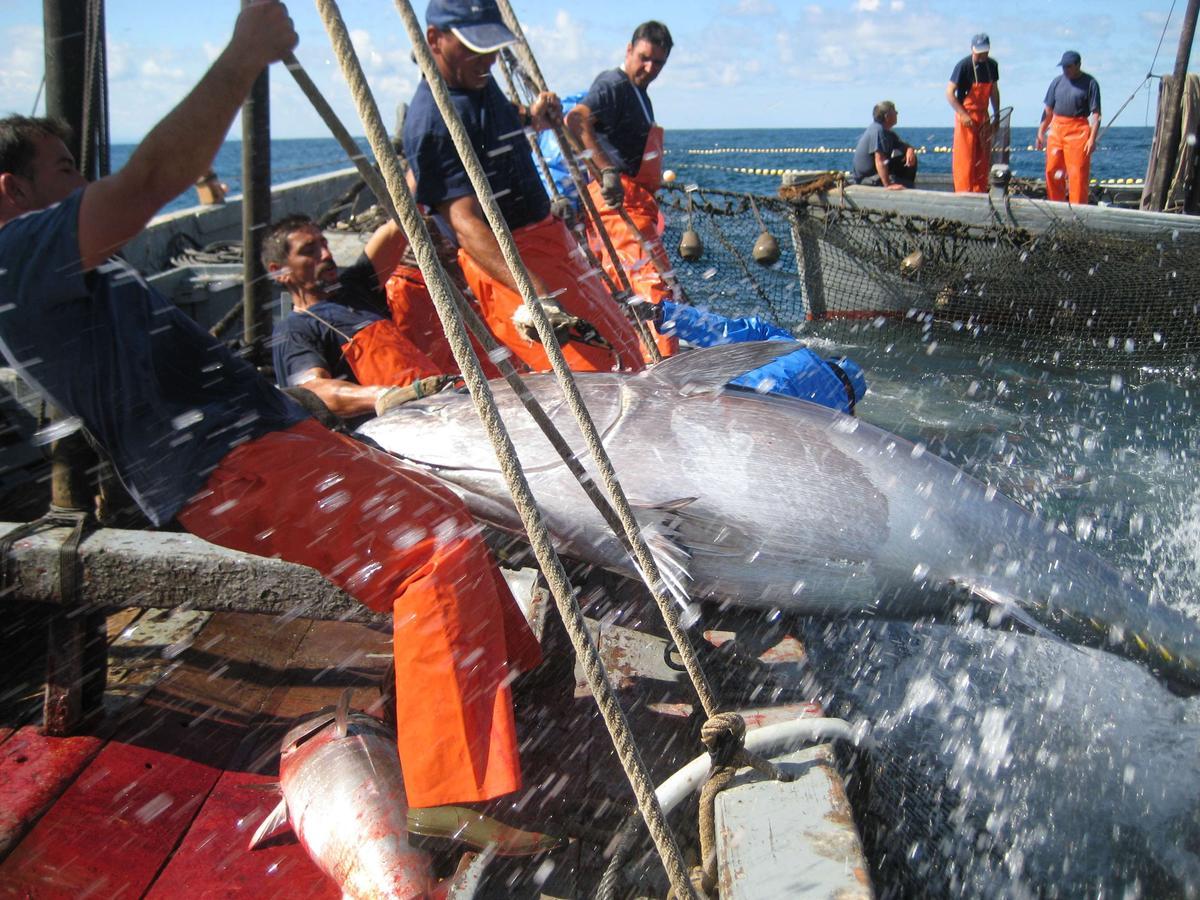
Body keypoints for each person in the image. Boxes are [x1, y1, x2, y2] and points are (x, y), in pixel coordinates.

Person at [0, 1, 556, 856]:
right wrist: (243, 54)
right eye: (66, 167)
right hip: (229, 460)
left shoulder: (43, 262)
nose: (81, 183)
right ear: (12, 190)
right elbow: (150, 181)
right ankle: (449, 789)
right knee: (434, 549)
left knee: (442, 514)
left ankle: (504, 683)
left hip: (255, 442)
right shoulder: (16, 253)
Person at [403, 0, 647, 375]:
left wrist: (532, 118)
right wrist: (534, 288)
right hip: (510, 266)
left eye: (491, 47)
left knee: (625, 354)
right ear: (433, 39)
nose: (487, 59)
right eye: (473, 47)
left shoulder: (475, 80)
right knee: (593, 378)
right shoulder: (433, 121)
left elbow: (494, 124)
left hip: (551, 246)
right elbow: (465, 225)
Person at [265, 213, 461, 421]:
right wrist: (386, 396)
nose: (325, 255)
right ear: (279, 272)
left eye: (324, 244)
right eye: (309, 251)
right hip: (394, 432)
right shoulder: (294, 329)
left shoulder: (356, 288)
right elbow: (312, 391)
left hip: (442, 407)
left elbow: (399, 219)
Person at [565, 21, 678, 357]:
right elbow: (575, 120)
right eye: (644, 58)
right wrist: (606, 172)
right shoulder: (613, 83)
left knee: (622, 292)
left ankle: (630, 360)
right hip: (618, 206)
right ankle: (664, 375)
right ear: (629, 51)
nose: (650, 68)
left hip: (637, 206)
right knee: (654, 292)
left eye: (658, 63)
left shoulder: (639, 94)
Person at [1036, 51, 1101, 205]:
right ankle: (1056, 205)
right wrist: (1040, 132)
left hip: (1078, 130)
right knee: (1052, 170)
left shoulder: (1090, 83)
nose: (1065, 70)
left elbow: (1096, 114)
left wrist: (1092, 139)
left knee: (1077, 173)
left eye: (1069, 67)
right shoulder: (1056, 82)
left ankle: (1078, 209)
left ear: (1078, 65)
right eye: (1063, 67)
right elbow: (1048, 111)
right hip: (1057, 129)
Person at [945, 33, 1000, 193]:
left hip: (983, 115)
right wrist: (962, 114)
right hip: (966, 117)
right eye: (979, 51)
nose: (982, 55)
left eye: (985, 51)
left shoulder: (992, 66)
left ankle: (980, 192)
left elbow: (994, 91)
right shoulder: (963, 66)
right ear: (972, 49)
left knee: (982, 159)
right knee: (965, 159)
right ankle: (963, 193)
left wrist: (996, 114)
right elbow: (949, 93)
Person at [851, 101, 919, 190]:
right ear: (887, 116)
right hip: (866, 179)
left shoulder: (887, 132)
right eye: (895, 112)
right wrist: (888, 185)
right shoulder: (878, 131)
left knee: (908, 159)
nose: (897, 114)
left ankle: (906, 185)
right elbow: (880, 159)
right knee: (907, 186)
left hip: (876, 174)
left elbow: (902, 145)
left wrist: (910, 150)